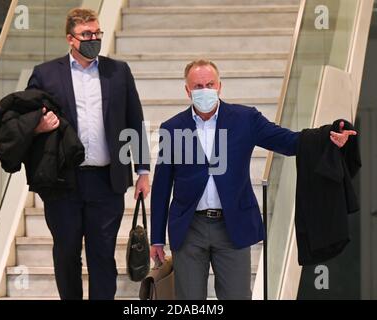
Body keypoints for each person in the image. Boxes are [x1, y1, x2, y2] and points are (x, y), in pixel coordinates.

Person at [150, 59, 356, 300]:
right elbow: (162, 186)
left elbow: (288, 141)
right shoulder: (172, 128)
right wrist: (156, 238)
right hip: (189, 229)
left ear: (220, 86)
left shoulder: (245, 119)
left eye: (209, 84)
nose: (204, 90)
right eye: (197, 86)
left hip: (233, 225)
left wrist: (328, 135)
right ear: (187, 90)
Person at [26, 8, 150, 300]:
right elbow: (23, 119)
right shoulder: (46, 74)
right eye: (86, 34)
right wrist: (38, 125)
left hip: (107, 182)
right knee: (67, 253)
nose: (94, 39)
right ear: (71, 39)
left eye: (97, 33)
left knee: (103, 256)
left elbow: (135, 120)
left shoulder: (118, 71)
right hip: (62, 183)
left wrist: (143, 170)